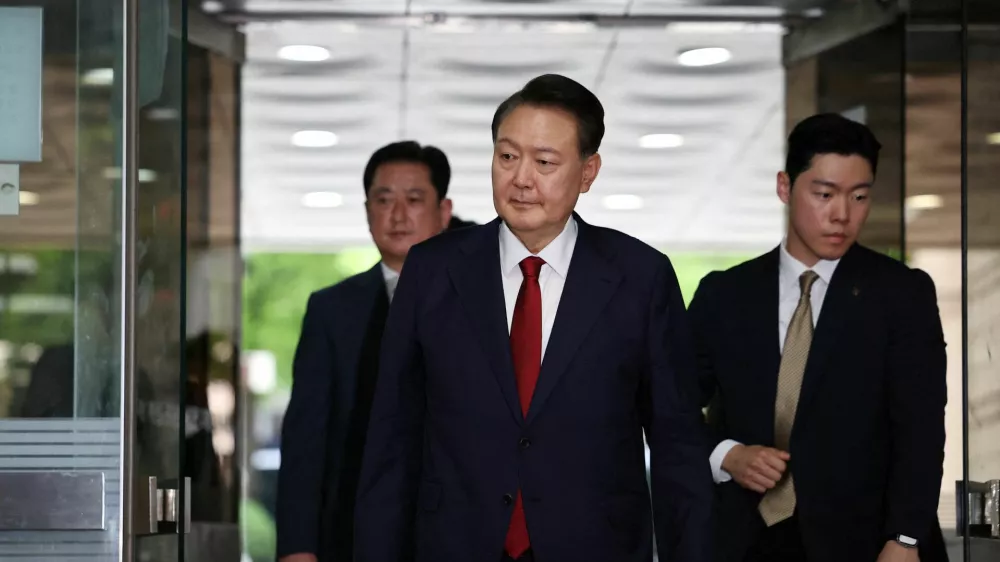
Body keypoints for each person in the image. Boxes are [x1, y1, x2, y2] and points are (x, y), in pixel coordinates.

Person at [354, 74, 713, 562]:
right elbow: (391, 441)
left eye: (544, 162)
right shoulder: (433, 271)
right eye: (507, 157)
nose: (521, 178)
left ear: (588, 173)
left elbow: (677, 447)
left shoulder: (640, 277)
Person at [689, 113, 948, 562]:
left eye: (859, 196)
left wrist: (905, 538)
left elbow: (921, 429)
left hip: (867, 542)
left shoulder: (902, 295)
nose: (842, 215)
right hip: (745, 540)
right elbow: (669, 403)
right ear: (785, 187)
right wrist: (725, 455)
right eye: (824, 194)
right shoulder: (724, 295)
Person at [275, 141, 453, 562]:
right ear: (367, 211)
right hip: (353, 532)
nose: (398, 215)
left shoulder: (482, 302)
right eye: (384, 200)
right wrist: (297, 546)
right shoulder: (331, 309)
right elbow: (306, 440)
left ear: (443, 212)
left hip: (457, 531)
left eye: (414, 199)